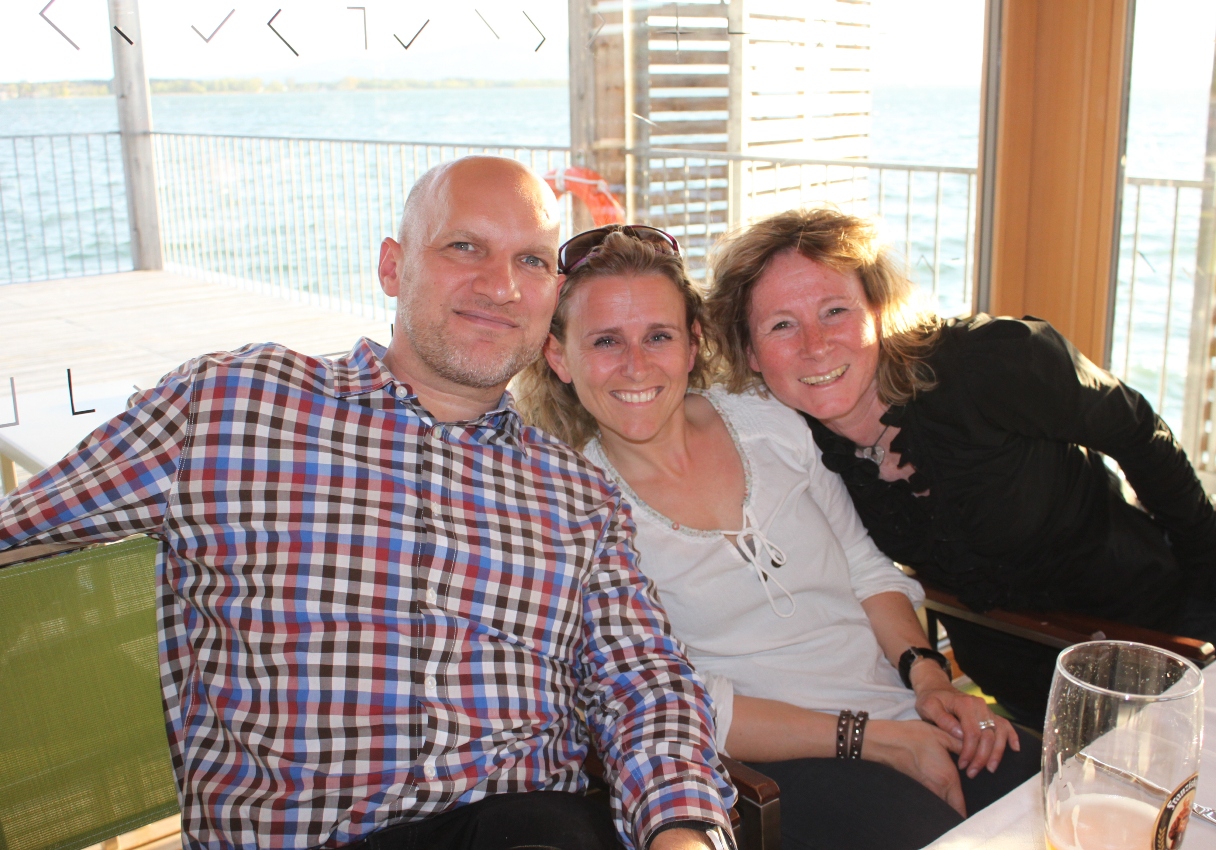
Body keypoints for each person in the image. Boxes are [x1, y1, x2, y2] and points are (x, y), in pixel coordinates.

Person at [0, 157, 737, 850]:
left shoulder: (577, 496)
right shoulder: (233, 405)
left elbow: (645, 683)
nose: (501, 286)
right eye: (465, 247)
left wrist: (682, 829)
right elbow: (23, 526)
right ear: (392, 267)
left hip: (519, 825)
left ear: (551, 298)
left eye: (532, 262)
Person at [517, 224, 1041, 850]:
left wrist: (929, 680)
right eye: (606, 340)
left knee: (1075, 791)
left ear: (694, 343)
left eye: (659, 335)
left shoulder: (769, 421)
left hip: (903, 707)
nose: (637, 364)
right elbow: (676, 700)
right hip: (787, 764)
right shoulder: (575, 510)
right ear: (558, 357)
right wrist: (877, 741)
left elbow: (865, 566)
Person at [704, 207, 1216, 728]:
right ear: (750, 352)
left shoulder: (991, 362)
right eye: (781, 325)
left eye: (835, 311)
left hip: (1162, 630)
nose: (816, 344)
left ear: (878, 311)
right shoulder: (786, 438)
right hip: (1020, 683)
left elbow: (1136, 430)